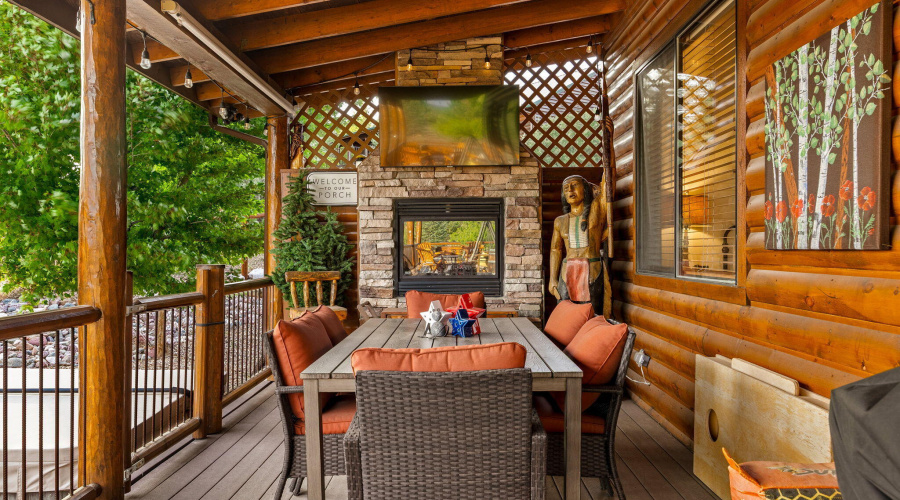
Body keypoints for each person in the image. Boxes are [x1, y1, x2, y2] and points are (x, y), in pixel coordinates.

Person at [548, 174, 612, 317]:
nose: (570, 189)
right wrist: (552, 278)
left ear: (586, 189)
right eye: (566, 188)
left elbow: (606, 187)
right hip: (566, 273)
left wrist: (607, 160)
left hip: (592, 270)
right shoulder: (560, 221)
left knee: (592, 314)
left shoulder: (597, 212)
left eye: (575, 185)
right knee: (564, 315)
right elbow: (555, 249)